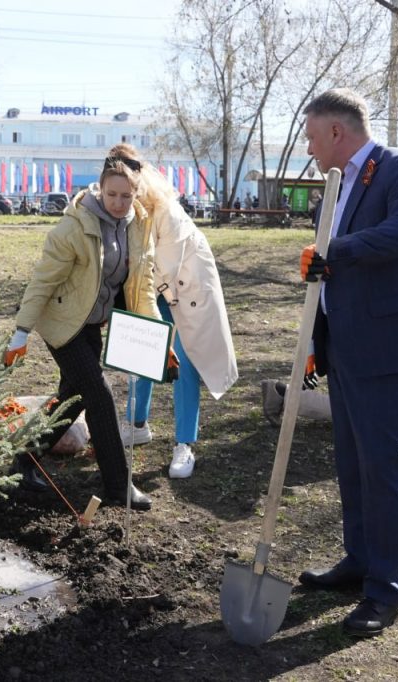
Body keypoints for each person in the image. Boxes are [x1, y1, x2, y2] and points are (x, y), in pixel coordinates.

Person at [297, 88, 398, 637]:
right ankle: (359, 560)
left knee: (384, 466)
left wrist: (336, 252)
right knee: (352, 462)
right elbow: (328, 268)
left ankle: (385, 590)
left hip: (392, 344)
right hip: (346, 344)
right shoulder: (332, 190)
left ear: (337, 131)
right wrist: (320, 338)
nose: (310, 149)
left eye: (313, 137)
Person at [3, 156, 162, 510]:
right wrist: (20, 332)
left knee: (72, 398)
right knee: (99, 395)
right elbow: (42, 280)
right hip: (61, 323)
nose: (118, 203)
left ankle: (24, 461)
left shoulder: (138, 226)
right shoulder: (74, 226)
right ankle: (118, 486)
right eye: (111, 194)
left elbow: (143, 284)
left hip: (91, 323)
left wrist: (157, 336)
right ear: (100, 189)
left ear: (135, 194)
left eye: (125, 196)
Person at [108, 144, 238, 479]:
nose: (121, 199)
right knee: (141, 349)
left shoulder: (165, 209)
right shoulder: (119, 206)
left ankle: (184, 444)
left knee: (182, 360)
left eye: (128, 190)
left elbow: (159, 264)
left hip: (188, 288)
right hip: (152, 286)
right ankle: (137, 424)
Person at [260, 217, 398, 426]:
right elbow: (391, 245)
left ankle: (286, 397)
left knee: (384, 405)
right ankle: (287, 398)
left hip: (354, 309)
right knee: (380, 408)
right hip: (364, 312)